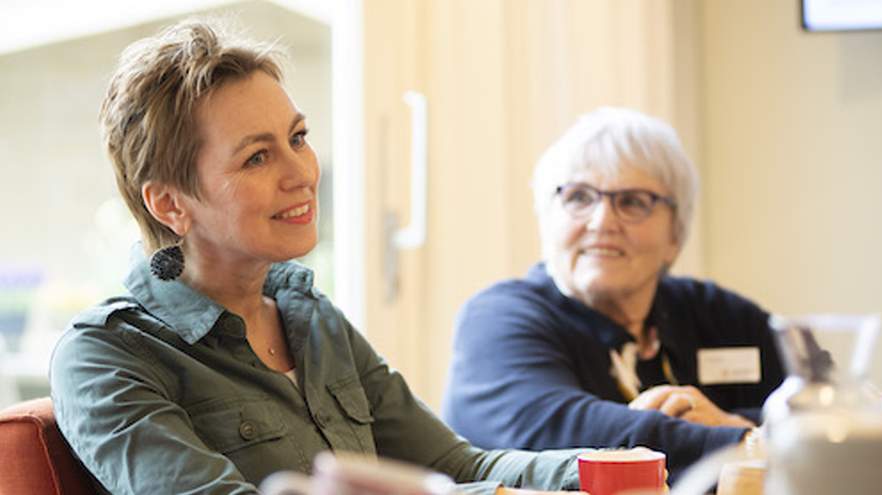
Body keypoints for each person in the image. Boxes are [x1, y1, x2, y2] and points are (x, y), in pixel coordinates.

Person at [49, 20, 589, 495]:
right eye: (258, 157)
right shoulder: (106, 356)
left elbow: (455, 465)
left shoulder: (308, 316)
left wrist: (603, 472)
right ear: (170, 202)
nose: (303, 173)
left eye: (298, 138)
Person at [442, 107, 785, 477]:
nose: (602, 221)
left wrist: (730, 421)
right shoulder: (498, 321)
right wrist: (750, 441)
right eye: (578, 198)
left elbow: (825, 411)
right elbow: (572, 436)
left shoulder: (719, 315)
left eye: (633, 201)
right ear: (546, 219)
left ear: (676, 234)